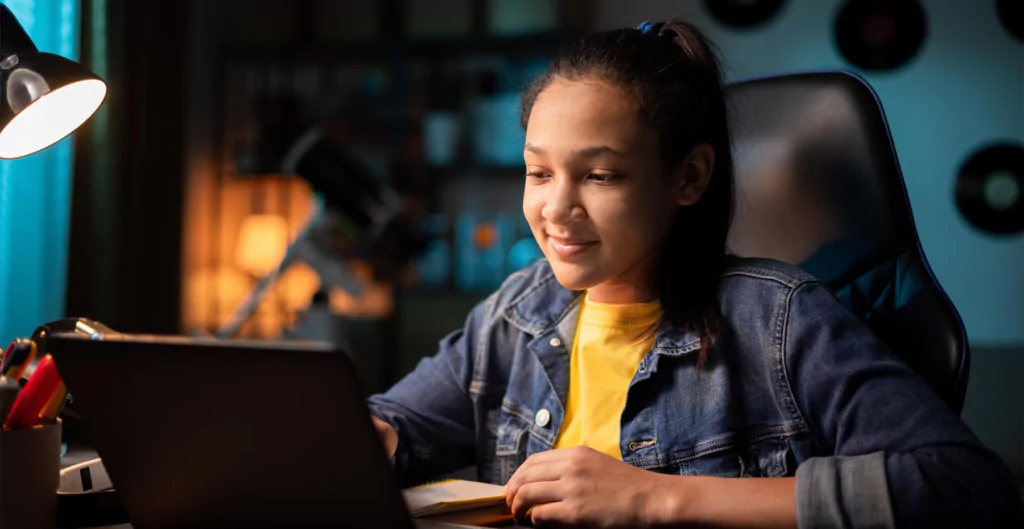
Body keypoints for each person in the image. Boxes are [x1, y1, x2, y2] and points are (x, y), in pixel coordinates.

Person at [368, 20, 1022, 528]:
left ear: (688, 177)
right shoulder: (517, 312)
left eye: (599, 175)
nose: (555, 209)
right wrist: (369, 435)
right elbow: (399, 421)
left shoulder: (780, 320)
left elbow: (966, 486)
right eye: (538, 172)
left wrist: (656, 498)